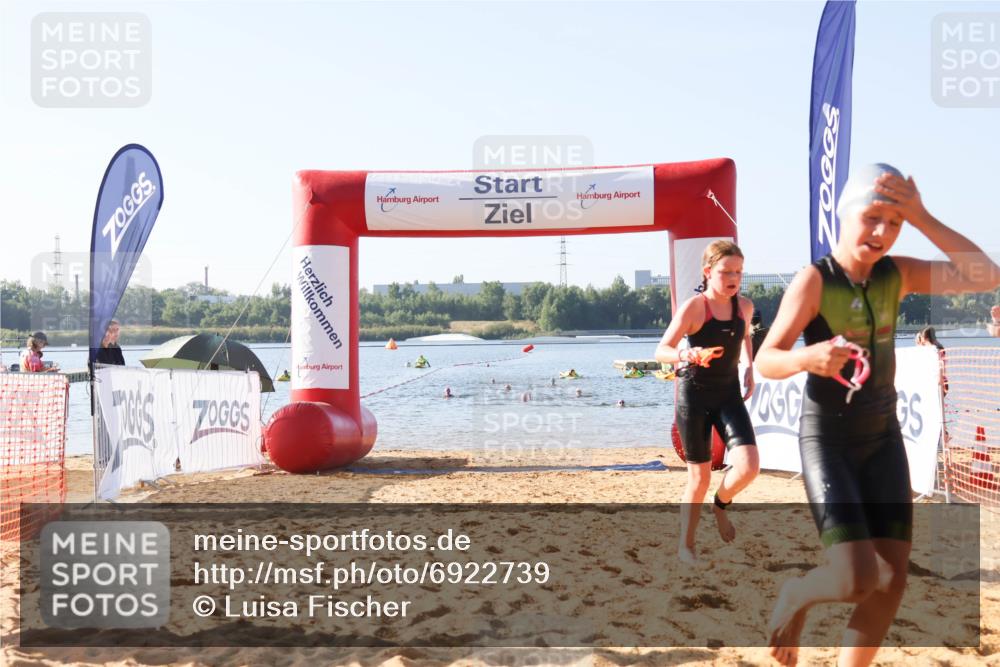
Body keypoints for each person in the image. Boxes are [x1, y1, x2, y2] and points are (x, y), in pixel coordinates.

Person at [755, 164, 1000, 667]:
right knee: (854, 579)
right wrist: (808, 357)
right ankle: (797, 593)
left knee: (891, 580)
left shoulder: (898, 273)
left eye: (894, 223)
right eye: (872, 218)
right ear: (846, 216)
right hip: (829, 442)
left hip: (884, 440)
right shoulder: (814, 281)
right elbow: (764, 360)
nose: (882, 233)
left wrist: (922, 214)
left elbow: (986, 275)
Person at [655, 239, 759, 565]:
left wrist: (750, 369)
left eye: (739, 272)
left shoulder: (745, 306)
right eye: (726, 271)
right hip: (694, 396)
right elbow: (661, 351)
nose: (734, 278)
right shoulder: (695, 308)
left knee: (749, 467)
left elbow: (744, 336)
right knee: (698, 478)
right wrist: (688, 354)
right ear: (708, 272)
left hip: (728, 395)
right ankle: (686, 548)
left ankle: (721, 505)